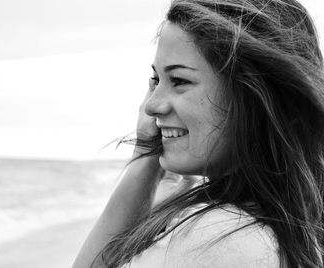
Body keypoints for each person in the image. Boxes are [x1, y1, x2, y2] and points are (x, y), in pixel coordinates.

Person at [73, 0, 324, 267]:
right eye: (156, 81)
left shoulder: (217, 237)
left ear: (253, 95)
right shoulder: (288, 223)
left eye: (179, 81)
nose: (151, 105)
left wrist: (142, 162)